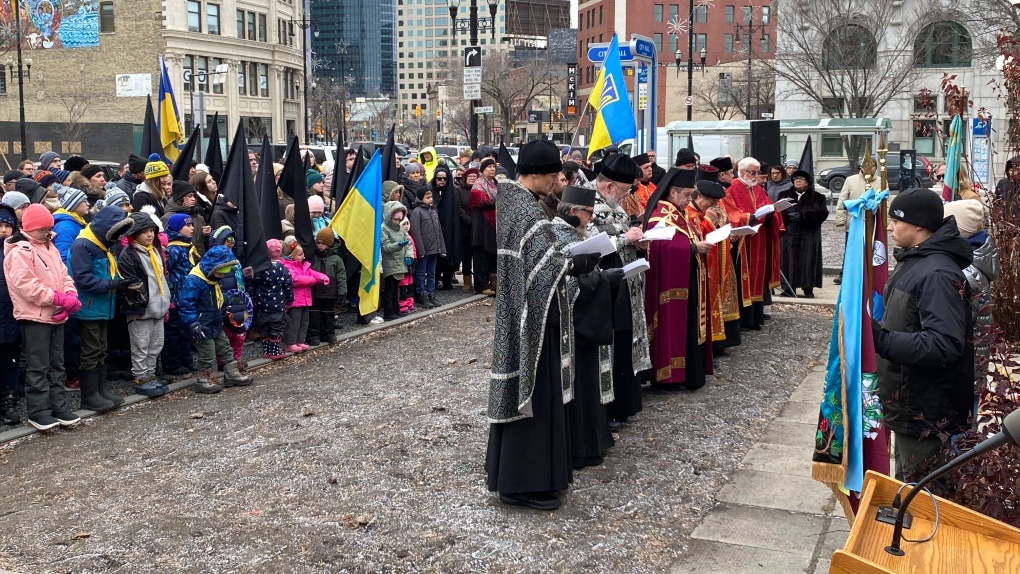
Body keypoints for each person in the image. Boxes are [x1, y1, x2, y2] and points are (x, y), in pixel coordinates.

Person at [486, 139, 592, 511]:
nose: (557, 182)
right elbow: (543, 268)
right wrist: (576, 264)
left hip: (530, 312)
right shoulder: (525, 212)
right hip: (534, 318)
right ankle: (522, 481)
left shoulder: (517, 203)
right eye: (552, 176)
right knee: (534, 399)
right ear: (534, 174)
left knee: (536, 398)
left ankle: (526, 476)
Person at [872, 188, 974, 481]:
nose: (890, 227)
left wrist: (881, 340)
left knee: (921, 499)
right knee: (903, 490)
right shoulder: (914, 261)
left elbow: (944, 344)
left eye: (895, 220)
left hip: (925, 409)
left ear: (919, 225)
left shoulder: (937, 273)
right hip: (906, 402)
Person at [551, 185, 620, 469]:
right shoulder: (556, 236)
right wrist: (601, 279)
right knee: (577, 385)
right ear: (573, 211)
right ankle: (580, 447)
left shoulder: (580, 233)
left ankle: (594, 440)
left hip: (588, 320)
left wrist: (602, 276)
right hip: (572, 325)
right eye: (588, 213)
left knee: (590, 383)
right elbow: (562, 283)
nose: (591, 219)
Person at [4, 204, 82, 430]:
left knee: (57, 364)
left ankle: (58, 406)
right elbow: (25, 286)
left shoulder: (51, 247)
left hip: (56, 315)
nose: (47, 233)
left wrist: (70, 296)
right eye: (42, 229)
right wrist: (57, 299)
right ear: (29, 228)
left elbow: (64, 275)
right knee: (39, 366)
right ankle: (38, 411)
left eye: (49, 228)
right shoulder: (20, 251)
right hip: (34, 317)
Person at [589, 153, 651, 425]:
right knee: (612, 343)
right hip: (604, 284)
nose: (626, 197)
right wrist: (626, 238)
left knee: (626, 338)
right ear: (608, 186)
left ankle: (623, 404)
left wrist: (637, 242)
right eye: (624, 191)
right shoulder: (586, 202)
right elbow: (588, 244)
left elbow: (623, 233)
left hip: (626, 282)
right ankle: (608, 406)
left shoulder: (616, 204)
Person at [643, 168, 713, 389]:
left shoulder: (678, 211)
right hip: (672, 281)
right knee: (675, 325)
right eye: (686, 195)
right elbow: (661, 247)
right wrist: (693, 248)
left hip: (688, 275)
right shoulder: (660, 215)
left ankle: (690, 371)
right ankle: (671, 375)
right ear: (673, 192)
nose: (689, 200)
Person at [68, 205, 136, 409]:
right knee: (91, 350)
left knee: (101, 349)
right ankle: (89, 395)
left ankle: (100, 389)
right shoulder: (83, 245)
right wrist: (114, 285)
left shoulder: (103, 246)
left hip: (102, 306)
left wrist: (123, 283)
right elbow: (83, 279)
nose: (117, 239)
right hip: (89, 307)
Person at [179, 245, 254, 393]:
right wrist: (192, 322)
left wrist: (229, 300)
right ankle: (202, 379)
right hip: (201, 324)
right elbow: (186, 303)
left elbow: (216, 298)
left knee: (225, 348)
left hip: (215, 320)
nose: (222, 276)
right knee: (207, 352)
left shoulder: (212, 280)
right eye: (220, 273)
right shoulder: (194, 280)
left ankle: (231, 374)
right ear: (213, 268)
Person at [719, 157, 782, 330]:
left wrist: (771, 215)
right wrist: (750, 217)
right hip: (743, 242)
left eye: (758, 172)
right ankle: (745, 319)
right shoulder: (732, 189)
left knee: (758, 277)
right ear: (741, 172)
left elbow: (769, 207)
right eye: (753, 172)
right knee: (743, 278)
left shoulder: (758, 189)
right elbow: (731, 215)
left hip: (759, 239)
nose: (756, 175)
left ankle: (756, 316)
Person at [944, 199, 999, 389]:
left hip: (968, 362)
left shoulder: (967, 270)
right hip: (973, 357)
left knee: (967, 409)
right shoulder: (975, 258)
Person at [117, 212, 172, 396]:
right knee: (141, 345)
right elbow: (130, 283)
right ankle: (141, 377)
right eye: (144, 232)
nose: (149, 235)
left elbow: (161, 278)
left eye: (151, 231)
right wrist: (140, 299)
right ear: (134, 234)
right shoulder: (129, 255)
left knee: (156, 345)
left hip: (158, 307)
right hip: (141, 310)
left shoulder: (155, 251)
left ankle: (151, 374)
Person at [688, 167, 741, 355]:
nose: (712, 206)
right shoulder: (689, 211)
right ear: (699, 197)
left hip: (716, 260)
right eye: (710, 202)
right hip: (701, 264)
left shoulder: (709, 208)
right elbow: (697, 234)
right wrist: (710, 220)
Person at [777, 170, 828, 298]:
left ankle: (808, 288)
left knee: (808, 260)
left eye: (801, 179)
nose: (797, 181)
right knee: (788, 260)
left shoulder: (818, 197)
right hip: (789, 235)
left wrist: (803, 216)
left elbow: (822, 214)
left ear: (807, 182)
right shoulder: (784, 195)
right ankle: (788, 288)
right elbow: (776, 212)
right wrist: (787, 216)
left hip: (809, 235)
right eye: (795, 179)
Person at [163, 213, 200, 377]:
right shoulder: (173, 249)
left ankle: (186, 359)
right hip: (175, 298)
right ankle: (173, 364)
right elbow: (165, 272)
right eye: (188, 225)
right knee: (173, 331)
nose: (192, 228)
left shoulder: (186, 246)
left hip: (187, 297)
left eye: (192, 225)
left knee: (186, 330)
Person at [834, 161, 878, 285]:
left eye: (872, 166)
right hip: (854, 220)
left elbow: (886, 202)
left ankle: (870, 275)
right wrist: (840, 219)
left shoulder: (881, 181)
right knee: (851, 248)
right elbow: (842, 200)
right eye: (866, 166)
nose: (869, 168)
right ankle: (845, 275)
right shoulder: (850, 180)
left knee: (872, 248)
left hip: (873, 220)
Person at [280, 240, 329, 353]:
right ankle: (290, 343)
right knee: (293, 323)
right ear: (292, 255)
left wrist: (322, 276)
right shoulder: (286, 266)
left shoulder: (303, 266)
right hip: (294, 301)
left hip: (305, 300)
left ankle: (300, 341)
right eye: (300, 254)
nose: (303, 256)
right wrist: (314, 280)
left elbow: (312, 273)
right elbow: (295, 280)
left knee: (304, 322)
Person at [252, 239, 294, 360]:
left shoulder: (259, 269)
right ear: (280, 252)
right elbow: (288, 285)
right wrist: (290, 299)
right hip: (278, 304)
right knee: (277, 327)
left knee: (263, 327)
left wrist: (253, 297)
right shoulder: (283, 269)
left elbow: (252, 284)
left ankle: (266, 350)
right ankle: (275, 350)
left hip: (262, 305)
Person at [0, 204, 22, 425]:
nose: (4, 230)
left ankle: (9, 399)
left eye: (8, 225)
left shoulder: (16, 250)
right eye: (0, 225)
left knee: (10, 359)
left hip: (11, 314)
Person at [409, 186, 446, 309]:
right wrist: (420, 250)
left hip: (434, 248)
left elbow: (439, 231)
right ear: (420, 198)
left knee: (432, 273)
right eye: (427, 197)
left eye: (431, 197)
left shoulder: (433, 211)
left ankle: (431, 293)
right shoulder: (417, 212)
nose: (431, 199)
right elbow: (416, 232)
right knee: (421, 273)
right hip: (424, 248)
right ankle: (421, 294)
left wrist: (442, 248)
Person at [307, 228, 346, 345]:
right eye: (318, 243)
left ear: (329, 244)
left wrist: (342, 292)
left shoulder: (336, 259)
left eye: (323, 243)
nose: (320, 246)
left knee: (328, 315)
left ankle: (328, 334)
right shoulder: (312, 257)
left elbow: (341, 276)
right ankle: (313, 336)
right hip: (315, 291)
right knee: (313, 314)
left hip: (330, 291)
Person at [380, 201, 414, 321]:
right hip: (390, 262)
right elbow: (386, 246)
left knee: (396, 288)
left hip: (400, 262)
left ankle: (396, 309)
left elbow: (408, 243)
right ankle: (388, 312)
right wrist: (398, 245)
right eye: (395, 219)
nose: (398, 222)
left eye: (400, 220)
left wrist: (409, 256)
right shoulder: (384, 228)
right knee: (390, 288)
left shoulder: (400, 228)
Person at [430, 165, 461, 290]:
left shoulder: (453, 191)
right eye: (439, 178)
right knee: (437, 257)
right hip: (435, 228)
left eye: (444, 178)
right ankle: (435, 279)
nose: (442, 181)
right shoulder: (430, 190)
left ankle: (448, 279)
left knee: (450, 253)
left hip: (450, 228)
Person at [470, 159, 498, 296]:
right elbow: (483, 203)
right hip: (482, 223)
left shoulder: (495, 183)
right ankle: (481, 285)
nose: (492, 169)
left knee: (492, 254)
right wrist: (498, 202)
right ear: (483, 169)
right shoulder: (479, 185)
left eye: (494, 166)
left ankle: (492, 282)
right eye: (489, 167)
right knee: (481, 254)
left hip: (493, 223)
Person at [162, 181, 210, 256]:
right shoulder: (168, 217)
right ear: (180, 198)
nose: (193, 199)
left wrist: (206, 234)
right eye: (189, 196)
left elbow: (203, 242)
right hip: (181, 261)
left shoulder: (198, 217)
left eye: (194, 196)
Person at [52, 188, 90, 263]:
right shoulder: (65, 227)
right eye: (84, 201)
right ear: (73, 204)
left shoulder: (77, 221)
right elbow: (64, 257)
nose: (88, 204)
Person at [456, 168, 477, 292]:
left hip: (479, 228)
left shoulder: (479, 190)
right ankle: (467, 280)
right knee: (466, 255)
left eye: (475, 176)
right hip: (465, 228)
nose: (472, 178)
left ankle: (480, 280)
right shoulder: (459, 190)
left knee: (479, 255)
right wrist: (470, 221)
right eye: (470, 176)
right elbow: (459, 208)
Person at [995, 157, 1020, 223]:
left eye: (1015, 170)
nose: (1012, 173)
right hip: (1003, 222)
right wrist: (996, 217)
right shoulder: (1002, 183)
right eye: (1010, 170)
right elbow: (996, 201)